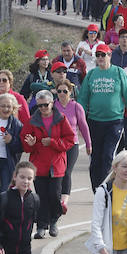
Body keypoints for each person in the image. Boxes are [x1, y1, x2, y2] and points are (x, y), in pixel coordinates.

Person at [77, 44, 127, 192]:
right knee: (95, 159)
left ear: (109, 56)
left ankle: (107, 188)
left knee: (107, 156)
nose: (100, 58)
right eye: (97, 55)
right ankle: (97, 190)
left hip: (114, 122)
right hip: (94, 122)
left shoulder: (118, 73)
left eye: (103, 55)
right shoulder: (91, 75)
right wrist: (79, 123)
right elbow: (82, 100)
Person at [20, 89, 75, 239]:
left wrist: (52, 142)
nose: (43, 108)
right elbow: (25, 144)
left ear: (52, 103)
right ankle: (41, 226)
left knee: (54, 195)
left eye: (45, 105)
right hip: (39, 164)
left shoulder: (61, 118)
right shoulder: (32, 121)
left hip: (56, 165)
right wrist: (30, 143)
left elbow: (70, 140)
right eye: (40, 106)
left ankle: (53, 221)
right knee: (41, 197)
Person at [54, 79, 91, 211]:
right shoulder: (53, 107)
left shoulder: (76, 106)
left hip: (72, 144)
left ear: (70, 92)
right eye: (59, 91)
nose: (62, 93)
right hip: (57, 145)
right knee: (57, 172)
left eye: (65, 91)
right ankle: (56, 197)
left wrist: (88, 144)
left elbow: (83, 126)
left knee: (67, 171)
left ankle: (64, 200)